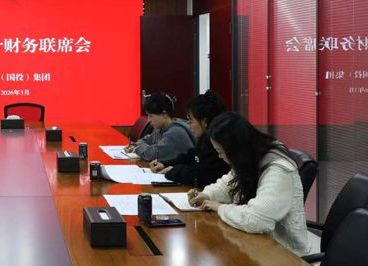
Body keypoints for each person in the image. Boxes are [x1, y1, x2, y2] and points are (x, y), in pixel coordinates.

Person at [187, 112, 310, 256]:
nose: (220, 157)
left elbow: (256, 220)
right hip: (258, 245)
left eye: (221, 151)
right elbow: (228, 184)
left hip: (286, 255)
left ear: (236, 149)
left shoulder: (278, 170)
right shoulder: (250, 156)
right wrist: (207, 195)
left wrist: (220, 207)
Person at [150, 90, 230, 187]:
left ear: (204, 121)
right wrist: (165, 164)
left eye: (191, 120)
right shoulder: (204, 139)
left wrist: (175, 170)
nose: (189, 124)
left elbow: (204, 177)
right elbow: (191, 156)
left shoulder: (217, 143)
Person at [124, 92, 195, 165]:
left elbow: (153, 154)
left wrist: (138, 147)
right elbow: (146, 140)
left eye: (151, 116)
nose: (148, 120)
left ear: (164, 114)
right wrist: (137, 145)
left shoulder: (175, 132)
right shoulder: (164, 128)